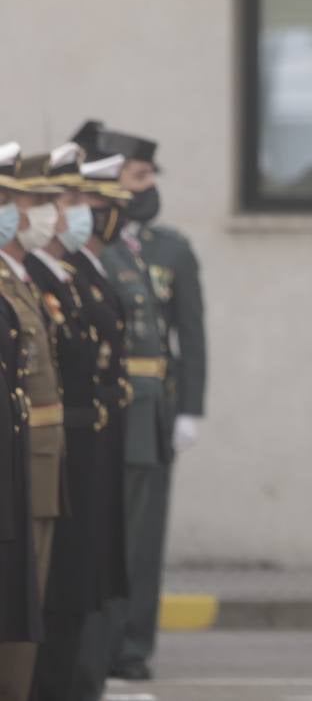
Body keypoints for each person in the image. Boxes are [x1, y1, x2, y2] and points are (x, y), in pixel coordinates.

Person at [70, 122, 189, 682]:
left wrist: (189, 408)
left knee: (143, 539)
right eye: (136, 177)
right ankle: (103, 640)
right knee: (107, 534)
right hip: (107, 407)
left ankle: (133, 645)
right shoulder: (94, 253)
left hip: (151, 408)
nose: (145, 188)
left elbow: (189, 334)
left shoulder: (164, 247)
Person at [19, 145, 117, 701]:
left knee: (70, 587)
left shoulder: (64, 275)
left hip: (73, 442)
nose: (73, 212)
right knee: (48, 592)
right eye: (63, 200)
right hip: (46, 446)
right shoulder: (29, 278)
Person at [63, 152, 133, 701]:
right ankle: (81, 676)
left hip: (102, 426)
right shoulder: (67, 275)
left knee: (99, 558)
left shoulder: (94, 270)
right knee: (79, 562)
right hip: (77, 433)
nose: (100, 215)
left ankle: (90, 673)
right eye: (89, 203)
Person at [0, 143, 65, 701]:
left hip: (34, 450)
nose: (47, 213)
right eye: (28, 201)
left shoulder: (22, 277)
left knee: (29, 591)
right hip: (19, 451)